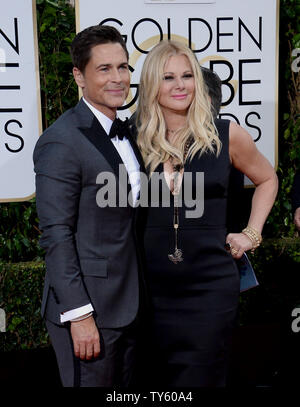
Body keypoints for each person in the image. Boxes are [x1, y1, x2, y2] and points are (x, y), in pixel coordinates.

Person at [135, 40, 278, 387]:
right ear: (152, 83)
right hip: (149, 293)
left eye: (187, 75)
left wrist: (252, 233)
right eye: (168, 77)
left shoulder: (227, 135)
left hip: (209, 290)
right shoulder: (134, 139)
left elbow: (267, 179)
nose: (180, 85)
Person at [33, 25, 146, 387]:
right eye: (104, 69)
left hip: (131, 304)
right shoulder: (61, 141)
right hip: (90, 310)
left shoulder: (126, 131)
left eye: (123, 67)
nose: (118, 78)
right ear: (79, 76)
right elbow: (56, 234)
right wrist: (79, 315)